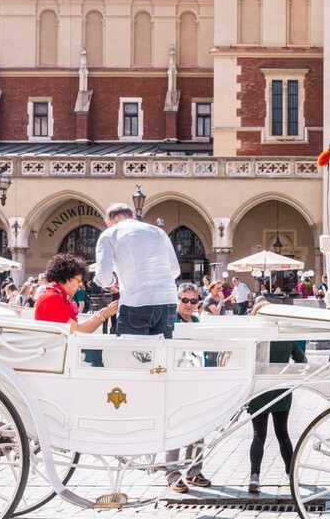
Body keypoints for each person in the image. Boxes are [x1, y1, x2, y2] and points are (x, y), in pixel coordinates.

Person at [94, 203, 182, 337]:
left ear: (108, 222)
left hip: (136, 301)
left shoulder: (109, 234)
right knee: (163, 352)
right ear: (133, 216)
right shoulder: (158, 231)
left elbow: (103, 273)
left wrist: (110, 285)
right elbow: (175, 269)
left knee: (132, 354)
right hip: (167, 301)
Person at [167, 283, 213, 493]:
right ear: (177, 300)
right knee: (175, 430)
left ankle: (194, 470)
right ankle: (173, 474)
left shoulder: (196, 320)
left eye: (193, 301)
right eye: (184, 300)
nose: (188, 305)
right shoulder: (170, 321)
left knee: (198, 428)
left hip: (196, 380)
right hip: (176, 382)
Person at [246, 338, 306, 493]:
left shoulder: (257, 339)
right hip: (281, 388)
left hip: (259, 389)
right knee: (283, 434)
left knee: (258, 435)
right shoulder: (285, 338)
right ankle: (290, 472)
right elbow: (301, 359)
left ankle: (254, 476)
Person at [34, 254, 118, 334]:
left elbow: (74, 326)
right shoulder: (53, 298)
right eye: (78, 281)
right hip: (59, 348)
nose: (79, 286)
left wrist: (99, 314)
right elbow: (77, 331)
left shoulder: (52, 295)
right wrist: (105, 314)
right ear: (68, 278)